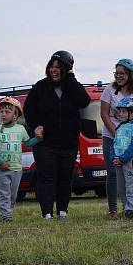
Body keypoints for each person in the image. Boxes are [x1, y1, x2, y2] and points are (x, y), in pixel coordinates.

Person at [23, 51, 91, 220]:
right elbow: (29, 110)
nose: (54, 70)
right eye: (51, 67)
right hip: (45, 143)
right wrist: (35, 126)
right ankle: (47, 213)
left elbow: (84, 101)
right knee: (46, 178)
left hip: (68, 143)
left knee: (65, 178)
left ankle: (62, 211)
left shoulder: (71, 86)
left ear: (66, 69)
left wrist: (71, 78)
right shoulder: (40, 87)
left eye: (58, 67)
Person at [100, 58, 133, 218]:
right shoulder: (109, 90)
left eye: (122, 73)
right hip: (112, 135)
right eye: (116, 73)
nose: (118, 76)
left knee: (130, 174)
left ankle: (131, 206)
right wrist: (117, 133)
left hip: (130, 136)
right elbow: (104, 113)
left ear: (131, 75)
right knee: (113, 172)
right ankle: (113, 209)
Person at [0, 97, 39, 222]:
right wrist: (0, 161)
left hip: (17, 169)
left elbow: (28, 143)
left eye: (7, 112)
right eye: (1, 111)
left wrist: (39, 138)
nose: (3, 114)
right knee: (3, 193)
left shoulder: (20, 129)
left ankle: (9, 211)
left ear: (15, 115)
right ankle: (6, 216)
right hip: (0, 169)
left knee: (13, 195)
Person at [112, 98, 133, 218]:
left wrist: (123, 158)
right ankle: (125, 207)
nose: (120, 114)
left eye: (123, 112)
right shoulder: (119, 127)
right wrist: (113, 157)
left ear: (132, 113)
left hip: (129, 161)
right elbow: (114, 143)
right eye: (120, 111)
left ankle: (132, 209)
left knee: (131, 185)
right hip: (118, 161)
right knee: (121, 186)